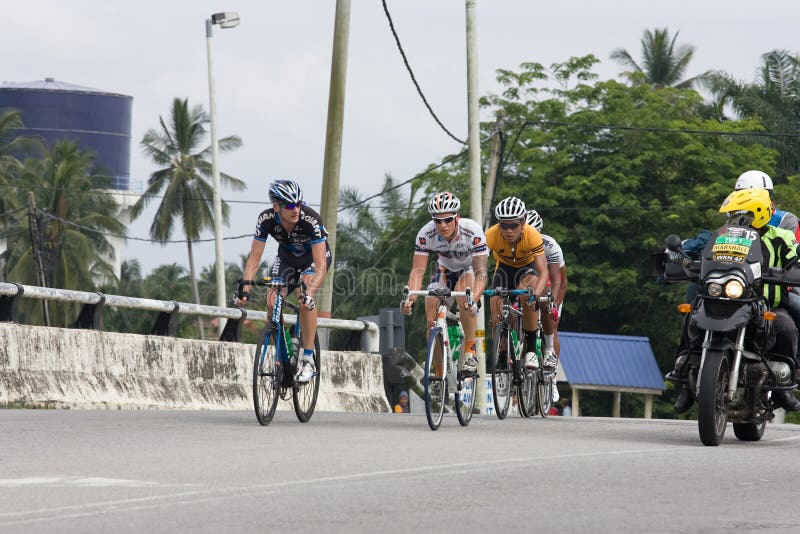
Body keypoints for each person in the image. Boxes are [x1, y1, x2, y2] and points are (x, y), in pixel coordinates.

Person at [674, 187, 800, 412]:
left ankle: (782, 389)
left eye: (741, 214)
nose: (734, 220)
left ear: (758, 213)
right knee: (691, 317)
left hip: (764, 303)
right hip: (723, 299)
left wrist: (793, 268)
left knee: (786, 327)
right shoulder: (720, 236)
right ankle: (686, 378)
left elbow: (794, 256)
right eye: (732, 215)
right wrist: (680, 260)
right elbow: (702, 256)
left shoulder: (781, 237)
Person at [235, 179, 331, 383]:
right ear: (276, 206)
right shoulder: (266, 219)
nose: (295, 209)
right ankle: (283, 359)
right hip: (286, 259)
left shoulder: (310, 220)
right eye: (289, 205)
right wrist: (245, 290)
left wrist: (310, 293)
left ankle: (307, 359)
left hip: (312, 259)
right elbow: (254, 259)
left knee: (304, 298)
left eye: (298, 203)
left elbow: (321, 267)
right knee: (271, 302)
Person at [400, 192, 489, 373]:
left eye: (447, 219)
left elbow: (481, 273)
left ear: (457, 217)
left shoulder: (472, 231)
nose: (442, 225)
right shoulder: (426, 234)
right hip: (444, 271)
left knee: (464, 296)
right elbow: (417, 272)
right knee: (431, 319)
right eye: (437, 220)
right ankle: (439, 374)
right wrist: (411, 299)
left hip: (468, 269)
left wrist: (474, 299)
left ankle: (470, 351)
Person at [485, 197, 550, 370]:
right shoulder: (491, 235)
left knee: (526, 293)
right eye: (503, 226)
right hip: (504, 269)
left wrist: (536, 294)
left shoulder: (532, 234)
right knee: (494, 302)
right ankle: (502, 351)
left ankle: (530, 350)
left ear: (522, 222)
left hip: (527, 269)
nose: (508, 231)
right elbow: (478, 265)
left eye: (513, 225)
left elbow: (543, 271)